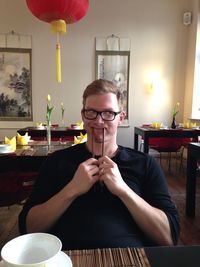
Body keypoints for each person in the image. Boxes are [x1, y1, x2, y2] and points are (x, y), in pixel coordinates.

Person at [19, 79, 180, 249]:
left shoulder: (145, 164)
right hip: (66, 259)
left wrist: (124, 191)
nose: (99, 121)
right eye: (91, 112)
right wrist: (72, 189)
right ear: (83, 115)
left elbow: (169, 237)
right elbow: (28, 228)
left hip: (130, 258)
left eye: (108, 113)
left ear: (121, 118)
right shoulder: (56, 161)